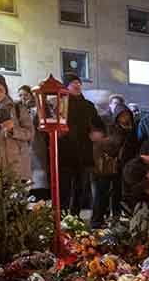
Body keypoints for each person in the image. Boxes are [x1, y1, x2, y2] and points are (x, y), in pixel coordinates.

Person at [58, 72, 104, 215]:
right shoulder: (60, 104)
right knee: (64, 188)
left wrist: (98, 133)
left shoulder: (89, 106)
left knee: (81, 188)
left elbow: (99, 125)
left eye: (79, 83)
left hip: (84, 153)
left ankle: (75, 217)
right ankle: (62, 218)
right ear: (66, 86)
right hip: (65, 152)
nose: (77, 85)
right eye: (73, 83)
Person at [91, 107, 139, 228]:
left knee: (118, 194)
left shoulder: (132, 129)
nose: (125, 118)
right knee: (102, 193)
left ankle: (115, 219)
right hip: (107, 166)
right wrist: (121, 134)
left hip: (123, 167)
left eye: (127, 115)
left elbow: (133, 147)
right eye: (122, 115)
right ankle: (97, 220)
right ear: (117, 117)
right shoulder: (111, 128)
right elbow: (105, 145)